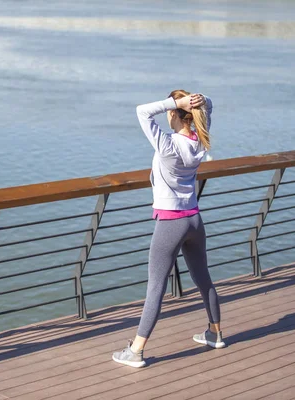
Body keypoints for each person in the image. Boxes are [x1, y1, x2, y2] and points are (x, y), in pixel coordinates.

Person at [111, 90, 223, 368]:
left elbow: (142, 111)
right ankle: (215, 333)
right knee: (203, 278)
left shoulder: (167, 145)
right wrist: (200, 101)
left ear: (173, 113)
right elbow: (210, 105)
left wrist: (175, 102)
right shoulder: (200, 140)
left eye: (172, 110)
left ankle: (135, 350)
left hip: (171, 222)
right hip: (194, 220)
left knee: (156, 287)